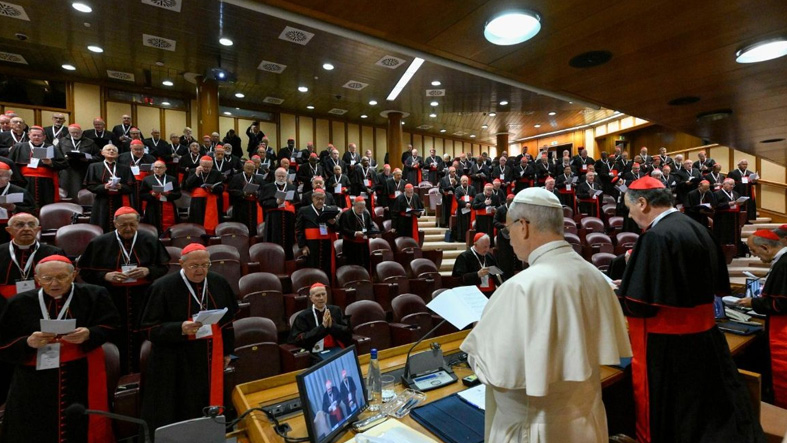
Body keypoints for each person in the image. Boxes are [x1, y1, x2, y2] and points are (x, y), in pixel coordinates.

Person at [461, 187, 631, 442]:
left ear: (524, 226)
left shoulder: (520, 287)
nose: (509, 239)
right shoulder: (595, 275)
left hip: (535, 430)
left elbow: (492, 371)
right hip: (587, 422)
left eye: (508, 230)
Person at [618, 176, 763, 443]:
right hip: (704, 337)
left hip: (666, 347)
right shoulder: (696, 227)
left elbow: (639, 304)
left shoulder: (656, 236)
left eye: (629, 208)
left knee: (672, 418)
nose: (630, 215)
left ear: (642, 203)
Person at [0, 255, 120, 443]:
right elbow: (3, 343)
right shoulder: (19, 302)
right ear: (38, 279)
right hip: (34, 379)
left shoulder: (95, 294)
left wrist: (89, 333)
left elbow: (112, 326)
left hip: (82, 373)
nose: (54, 283)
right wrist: (27, 342)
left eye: (61, 277)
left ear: (73, 276)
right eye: (47, 279)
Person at [139, 243, 237, 432]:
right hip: (175, 361)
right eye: (194, 266)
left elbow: (228, 323)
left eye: (205, 265)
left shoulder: (218, 282)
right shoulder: (162, 287)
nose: (200, 270)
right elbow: (149, 329)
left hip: (210, 356)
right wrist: (180, 328)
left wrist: (228, 352)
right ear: (181, 264)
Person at [78, 206, 170, 374]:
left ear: (138, 223)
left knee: (141, 336)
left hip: (143, 297)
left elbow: (163, 266)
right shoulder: (99, 243)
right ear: (114, 223)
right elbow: (84, 272)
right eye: (123, 225)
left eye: (132, 225)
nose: (128, 229)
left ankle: (141, 372)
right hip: (111, 299)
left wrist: (148, 271)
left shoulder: (149, 239)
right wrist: (106, 276)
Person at [737, 230, 787, 408]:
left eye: (754, 251)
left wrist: (753, 303)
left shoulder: (783, 264)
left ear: (765, 247)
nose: (754, 256)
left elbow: (780, 304)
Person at [289, 283, 352, 359]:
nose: (321, 298)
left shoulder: (335, 310)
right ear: (311, 298)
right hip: (314, 352)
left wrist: (332, 326)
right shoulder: (303, 316)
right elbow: (299, 340)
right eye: (318, 295)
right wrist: (322, 327)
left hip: (336, 348)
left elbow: (347, 334)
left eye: (323, 294)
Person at [8, 125, 67, 206]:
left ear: (44, 137)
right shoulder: (19, 147)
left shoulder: (51, 148)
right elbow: (10, 164)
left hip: (46, 184)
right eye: (34, 135)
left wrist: (50, 163)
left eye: (39, 135)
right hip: (24, 182)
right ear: (29, 135)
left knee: (45, 205)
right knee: (25, 204)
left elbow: (64, 164)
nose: (36, 137)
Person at [84, 144, 135, 232]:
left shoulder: (125, 168)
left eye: (114, 150)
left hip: (119, 201)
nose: (111, 151)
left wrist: (121, 187)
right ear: (102, 153)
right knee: (101, 225)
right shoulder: (94, 166)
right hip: (101, 202)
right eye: (108, 150)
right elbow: (90, 185)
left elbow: (131, 187)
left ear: (117, 154)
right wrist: (104, 187)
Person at [296, 189, 339, 279]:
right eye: (317, 199)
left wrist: (333, 223)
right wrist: (303, 246)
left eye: (322, 199)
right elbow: (299, 229)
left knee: (326, 267)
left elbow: (336, 229)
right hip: (311, 244)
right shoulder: (304, 210)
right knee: (312, 267)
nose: (320, 201)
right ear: (313, 198)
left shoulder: (329, 210)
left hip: (326, 244)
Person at [260, 168, 299, 259]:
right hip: (273, 219)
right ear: (275, 176)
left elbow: (297, 202)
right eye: (279, 176)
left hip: (289, 218)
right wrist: (276, 202)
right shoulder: (268, 187)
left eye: (283, 176)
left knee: (289, 240)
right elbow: (263, 202)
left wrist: (289, 203)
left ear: (286, 177)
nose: (281, 178)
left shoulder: (291, 187)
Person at [57, 123, 101, 200]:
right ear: (69, 132)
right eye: (73, 132)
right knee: (66, 192)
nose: (75, 134)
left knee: (81, 192)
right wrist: (65, 158)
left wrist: (88, 159)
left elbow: (98, 156)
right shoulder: (62, 141)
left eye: (77, 132)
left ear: (81, 131)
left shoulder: (90, 142)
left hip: (83, 170)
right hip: (67, 170)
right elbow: (56, 155)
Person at [183, 155, 224, 235]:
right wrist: (196, 174)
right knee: (197, 220)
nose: (206, 169)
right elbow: (187, 185)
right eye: (204, 166)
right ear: (200, 165)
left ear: (212, 166)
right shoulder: (193, 171)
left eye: (208, 167)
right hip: (197, 202)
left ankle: (210, 235)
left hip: (211, 200)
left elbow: (221, 187)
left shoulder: (216, 173)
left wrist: (212, 188)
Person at [452, 233, 502, 298]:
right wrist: (477, 274)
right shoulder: (464, 257)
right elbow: (458, 279)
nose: (487, 249)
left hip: (491, 292)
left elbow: (498, 273)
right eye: (484, 247)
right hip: (473, 293)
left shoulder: (489, 256)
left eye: (488, 246)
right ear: (476, 245)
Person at [139, 160, 182, 234]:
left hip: (168, 204)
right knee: (152, 227)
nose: (157, 169)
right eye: (155, 167)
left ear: (165, 168)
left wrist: (167, 194)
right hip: (153, 207)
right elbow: (141, 195)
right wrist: (152, 195)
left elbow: (178, 194)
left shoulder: (172, 179)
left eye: (160, 168)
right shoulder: (147, 179)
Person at [338, 197, 379, 272]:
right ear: (354, 205)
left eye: (363, 208)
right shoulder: (346, 214)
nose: (361, 210)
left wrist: (373, 232)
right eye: (359, 208)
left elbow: (371, 225)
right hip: (350, 244)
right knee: (352, 266)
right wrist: (355, 233)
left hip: (363, 244)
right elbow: (343, 229)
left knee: (364, 264)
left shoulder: (366, 213)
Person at [0, 163, 35, 244]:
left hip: (13, 228)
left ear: (10, 177)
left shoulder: (20, 192)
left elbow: (33, 212)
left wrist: (13, 208)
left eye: (2, 176)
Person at [118, 139, 158, 211]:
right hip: (128, 184)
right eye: (136, 149)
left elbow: (154, 172)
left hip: (143, 185)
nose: (139, 151)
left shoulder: (150, 158)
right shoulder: (121, 157)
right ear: (131, 148)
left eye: (141, 149)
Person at [228, 160, 265, 234]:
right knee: (240, 226)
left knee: (252, 225)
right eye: (248, 168)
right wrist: (243, 193)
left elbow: (263, 190)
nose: (250, 171)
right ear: (244, 168)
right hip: (240, 205)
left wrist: (257, 193)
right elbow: (231, 190)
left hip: (253, 206)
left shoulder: (258, 179)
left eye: (252, 169)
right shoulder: (236, 177)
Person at [493, 194, 519, 281]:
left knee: (513, 255)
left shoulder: (516, 210)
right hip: (503, 235)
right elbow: (495, 221)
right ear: (507, 200)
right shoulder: (500, 209)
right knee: (504, 256)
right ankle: (504, 276)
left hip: (514, 233)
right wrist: (503, 225)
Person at [713, 178, 742, 247]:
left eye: (733, 185)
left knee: (734, 233)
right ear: (724, 184)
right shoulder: (717, 194)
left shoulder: (735, 193)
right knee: (723, 234)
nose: (732, 186)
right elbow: (715, 205)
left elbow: (737, 202)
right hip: (722, 218)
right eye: (730, 184)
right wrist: (728, 204)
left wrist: (740, 203)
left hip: (734, 217)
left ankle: (735, 249)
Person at [453, 176, 476, 244]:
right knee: (461, 224)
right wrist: (465, 204)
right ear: (461, 182)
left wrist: (470, 204)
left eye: (466, 181)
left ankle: (469, 238)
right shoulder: (458, 189)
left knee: (469, 223)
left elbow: (475, 197)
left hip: (470, 209)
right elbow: (457, 198)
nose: (465, 182)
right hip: (461, 209)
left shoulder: (472, 188)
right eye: (463, 181)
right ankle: (461, 238)